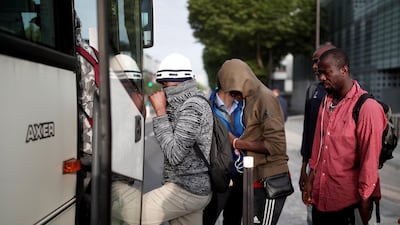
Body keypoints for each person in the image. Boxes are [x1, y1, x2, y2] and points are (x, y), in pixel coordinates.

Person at [302, 48, 386, 225]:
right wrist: (311, 177)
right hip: (321, 199)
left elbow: (369, 160)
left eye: (327, 73)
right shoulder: (326, 102)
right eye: (320, 73)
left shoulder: (367, 107)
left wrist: (365, 199)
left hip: (349, 203)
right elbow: (318, 144)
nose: (322, 77)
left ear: (344, 70)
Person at [217, 59, 290, 225]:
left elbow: (276, 145)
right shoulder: (251, 98)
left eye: (233, 92)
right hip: (255, 176)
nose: (233, 97)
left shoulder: (265, 98)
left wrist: (236, 142)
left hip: (270, 179)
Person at [144, 53, 213, 225]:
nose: (162, 89)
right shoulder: (181, 104)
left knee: (131, 214)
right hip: (193, 187)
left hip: (186, 189)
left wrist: (160, 112)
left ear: (179, 81)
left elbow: (174, 155)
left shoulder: (192, 106)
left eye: (164, 83)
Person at [298, 43, 336, 225]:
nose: (314, 66)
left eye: (317, 61)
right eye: (313, 62)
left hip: (337, 172)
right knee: (312, 216)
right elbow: (308, 132)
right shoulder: (313, 90)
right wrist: (303, 168)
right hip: (312, 167)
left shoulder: (349, 91)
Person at [203, 82, 245, 225]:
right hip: (215, 175)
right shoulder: (206, 108)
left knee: (234, 220)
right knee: (207, 219)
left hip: (240, 174)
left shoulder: (244, 107)